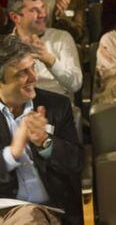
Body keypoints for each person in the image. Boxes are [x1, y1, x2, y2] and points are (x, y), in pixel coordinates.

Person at [0, 34, 83, 224]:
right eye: (22, 73)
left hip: (49, 211)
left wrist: (45, 142)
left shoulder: (57, 106)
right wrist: (12, 153)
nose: (34, 77)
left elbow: (76, 162)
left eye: (33, 68)